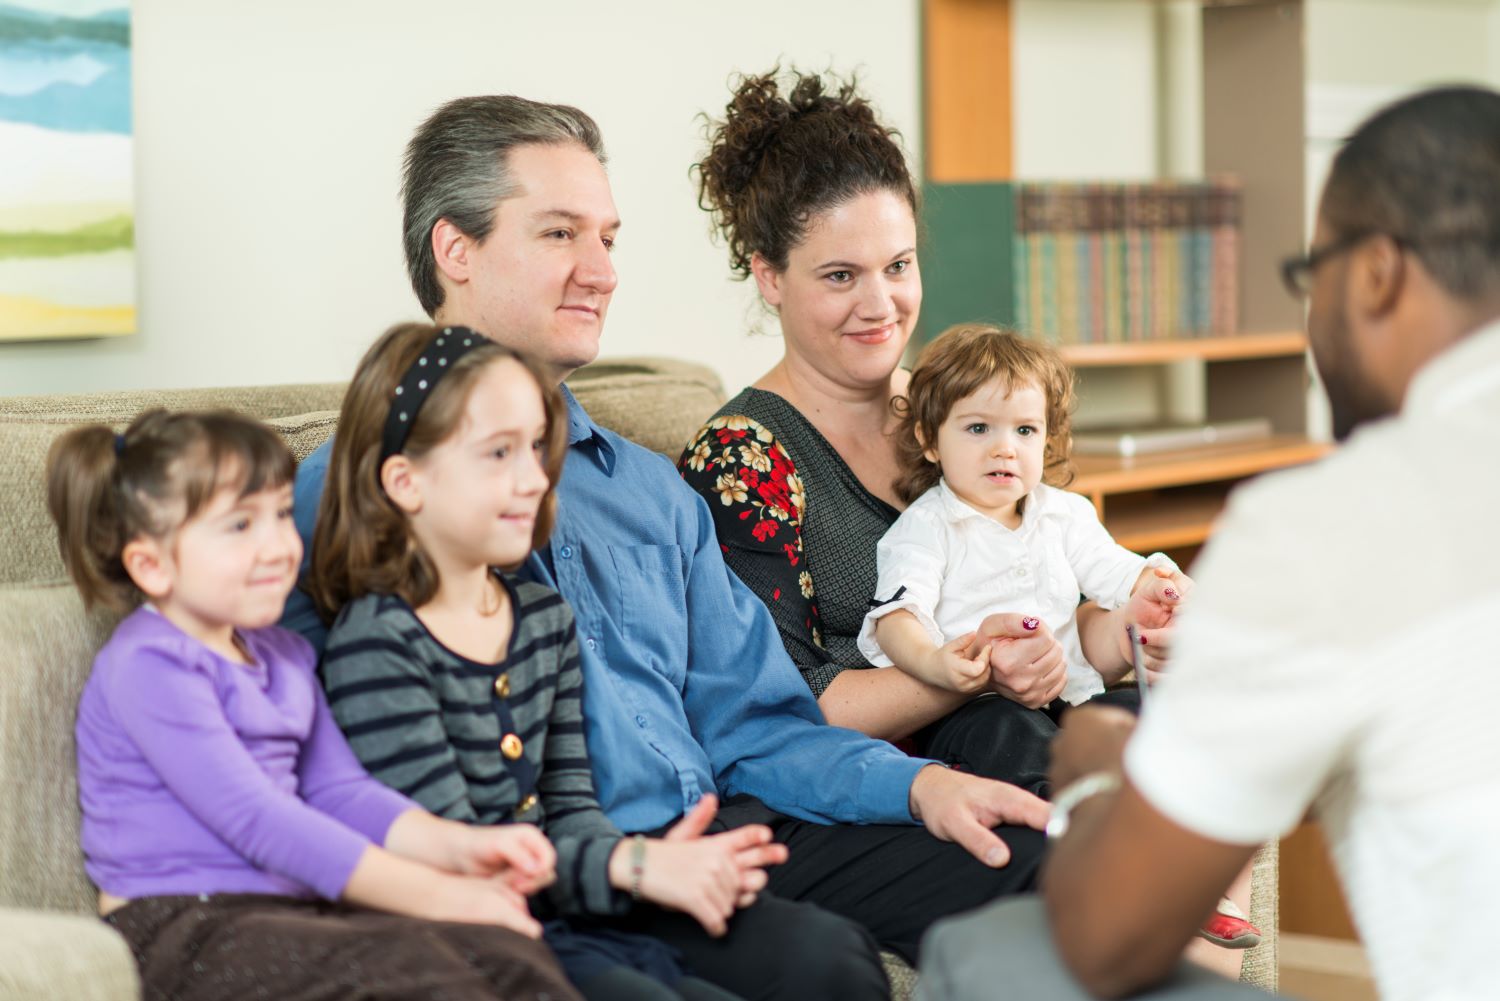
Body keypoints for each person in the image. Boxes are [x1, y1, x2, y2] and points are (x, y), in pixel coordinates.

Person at [284, 94, 1051, 1001]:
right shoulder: (363, 483)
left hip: (720, 835)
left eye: (609, 238)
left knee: (1028, 852)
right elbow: (325, 744)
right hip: (551, 878)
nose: (601, 271)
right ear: (457, 250)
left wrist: (921, 788)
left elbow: (756, 725)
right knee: (818, 965)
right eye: (561, 234)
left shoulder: (652, 490)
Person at [920, 84, 1500, 1001]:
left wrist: (1098, 779)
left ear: (1377, 274)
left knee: (990, 950)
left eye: (1315, 278)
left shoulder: (1329, 520)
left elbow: (1112, 935)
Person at [679, 68, 1254, 974]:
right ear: (768, 277)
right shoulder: (745, 461)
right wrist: (976, 670)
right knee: (1088, 851)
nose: (883, 305)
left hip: (1029, 725)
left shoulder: (961, 412)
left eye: (898, 266)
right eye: (840, 275)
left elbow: (1060, 584)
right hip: (878, 787)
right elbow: (791, 708)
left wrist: (1130, 628)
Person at [45, 408, 580, 1001]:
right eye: (239, 525)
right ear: (151, 564)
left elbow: (340, 792)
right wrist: (441, 894)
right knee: (427, 974)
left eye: (279, 514)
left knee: (509, 955)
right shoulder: (151, 665)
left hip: (294, 911)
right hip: (182, 925)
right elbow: (259, 820)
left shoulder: (285, 654)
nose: (277, 545)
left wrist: (462, 847)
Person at [308, 321, 768, 1001]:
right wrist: (634, 864)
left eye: (535, 448)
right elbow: (467, 851)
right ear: (404, 481)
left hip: (560, 918)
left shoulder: (541, 620)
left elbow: (571, 809)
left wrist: (640, 861)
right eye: (498, 454)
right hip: (459, 942)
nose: (534, 479)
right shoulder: (377, 644)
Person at [858, 323, 1256, 949]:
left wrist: (1156, 586)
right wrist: (937, 664)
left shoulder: (1063, 514)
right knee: (1011, 734)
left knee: (1139, 713)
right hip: (977, 708)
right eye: (977, 428)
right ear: (929, 440)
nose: (1003, 450)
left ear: (1048, 438)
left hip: (1070, 701)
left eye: (1024, 431)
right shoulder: (926, 528)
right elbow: (896, 617)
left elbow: (1116, 571)